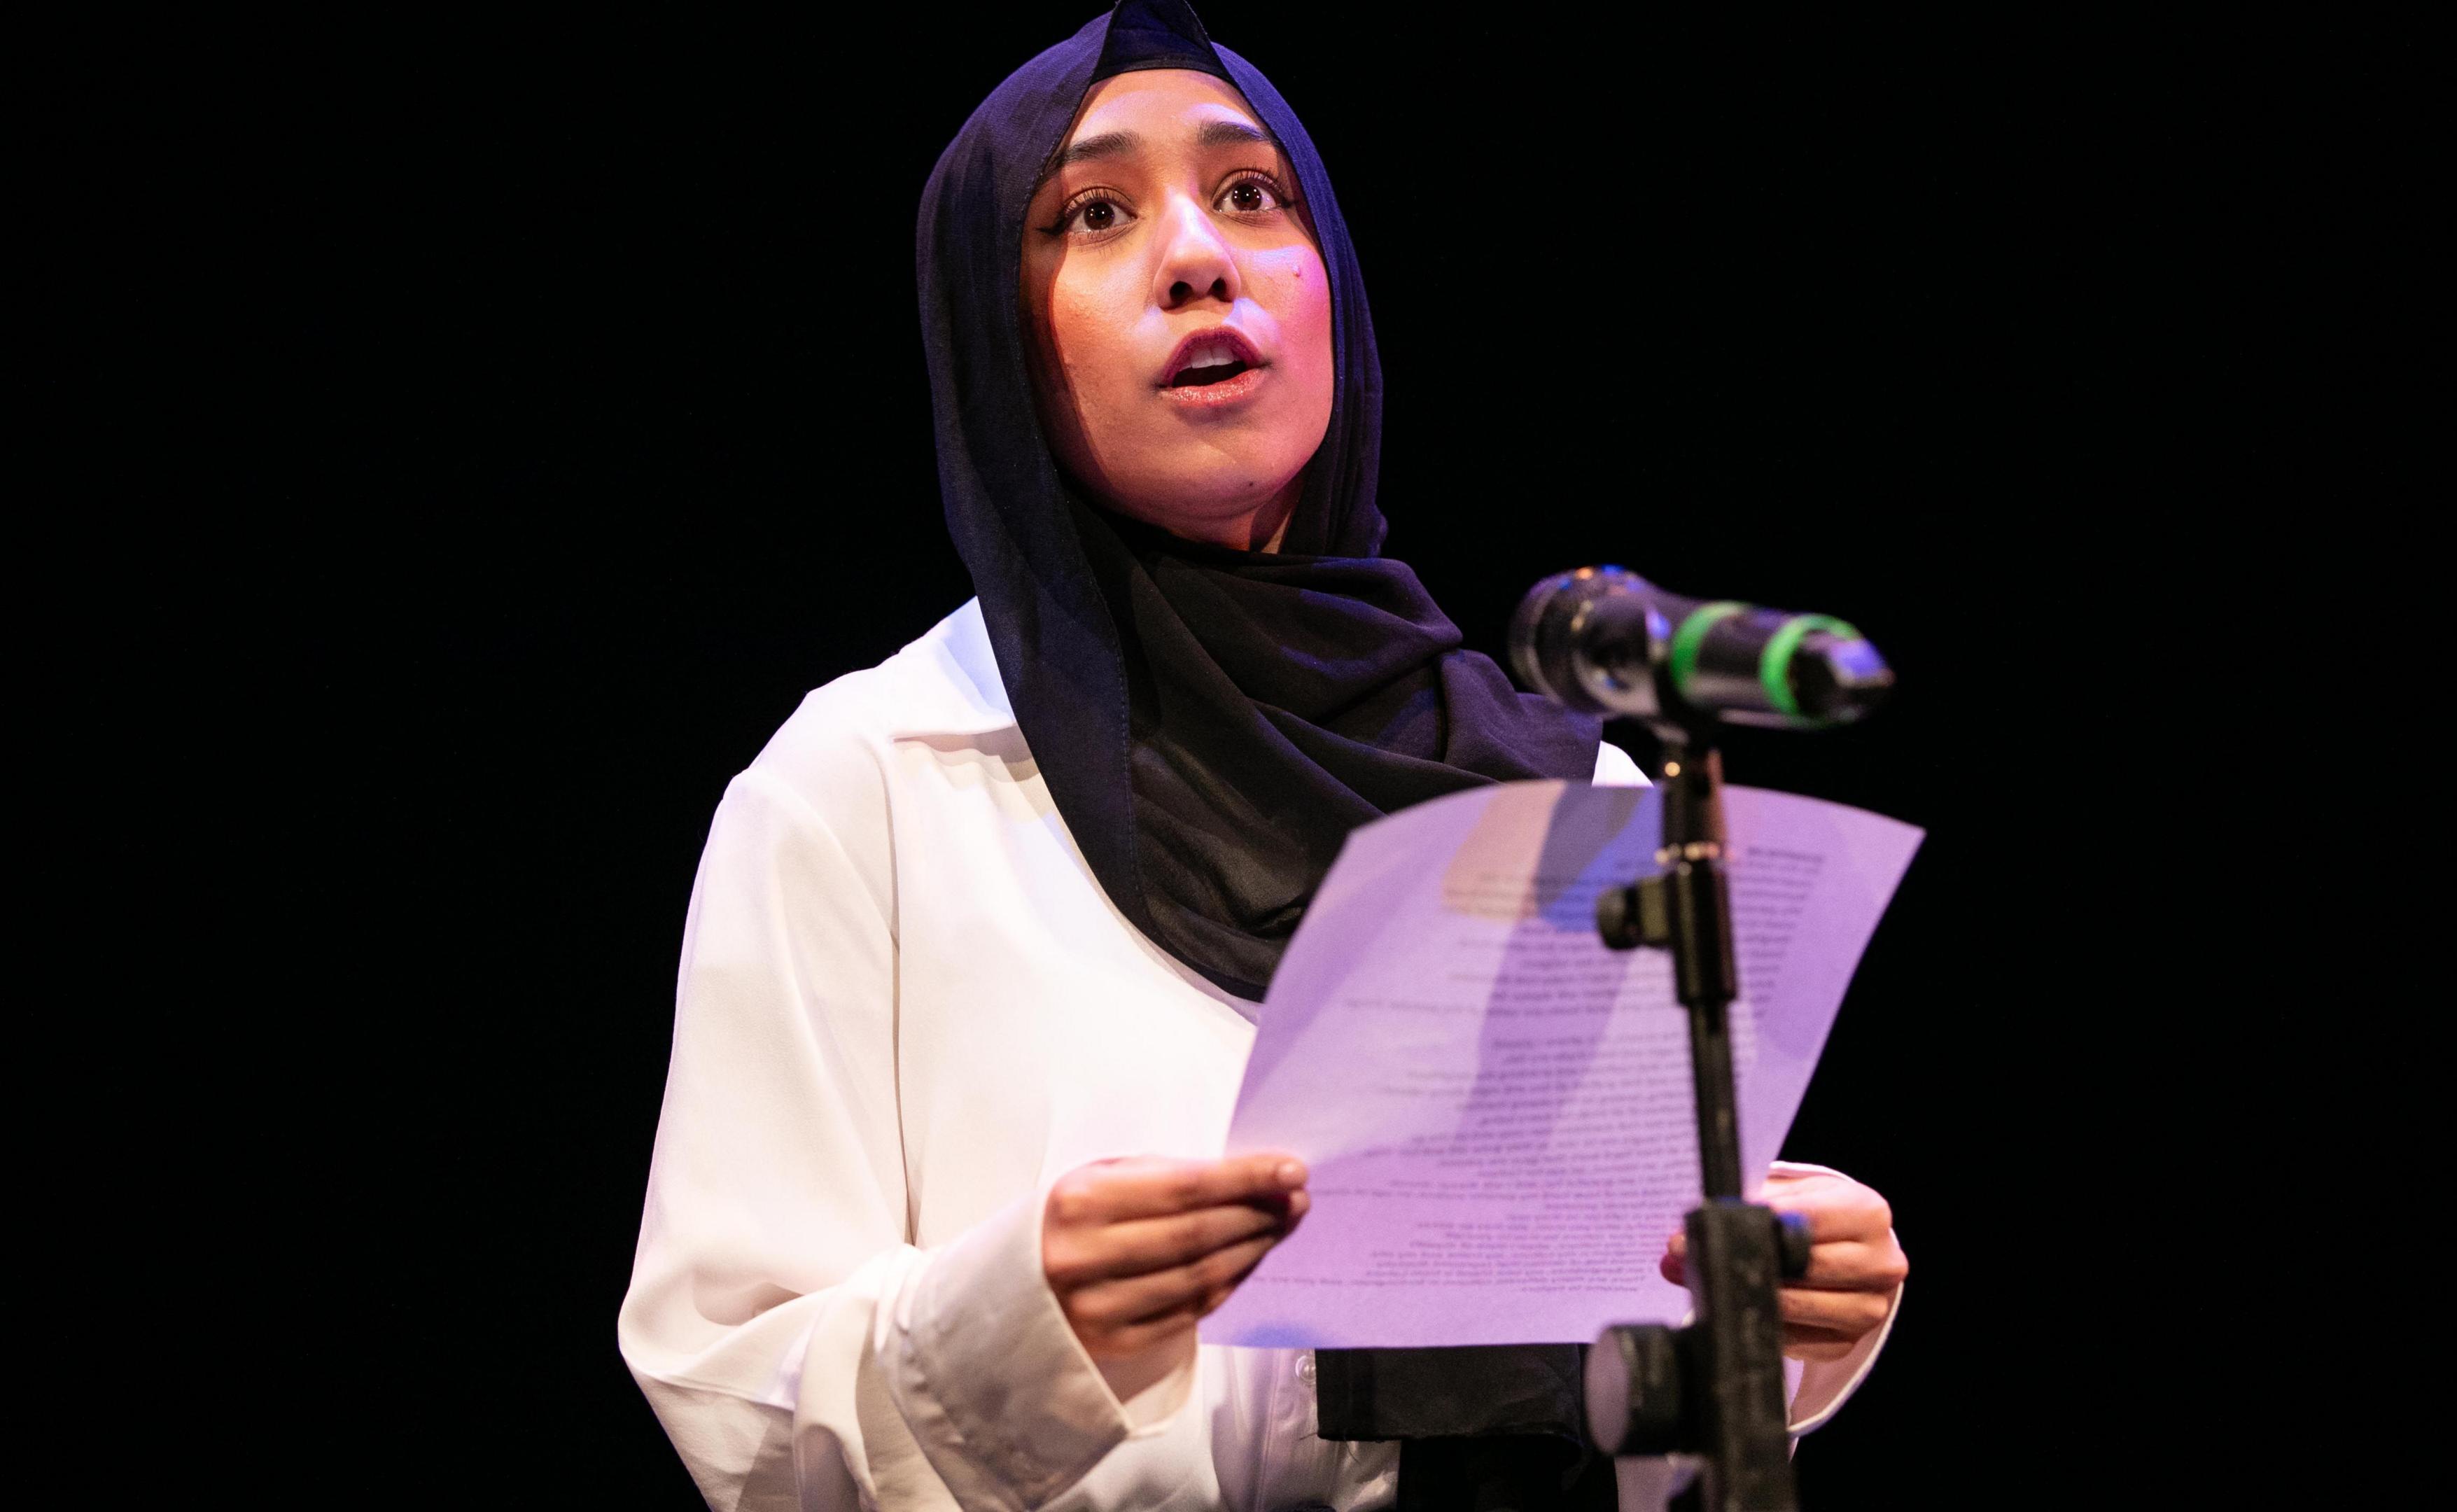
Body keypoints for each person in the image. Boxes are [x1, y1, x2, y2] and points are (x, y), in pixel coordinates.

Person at [617, 5, 1907, 1508]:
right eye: (1093, 215)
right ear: (994, 337)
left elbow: (1624, 1402)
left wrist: (1777, 1333)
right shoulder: (879, 780)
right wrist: (1013, 1327)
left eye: (1251, 195)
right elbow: (726, 1393)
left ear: (1334, 290)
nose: (1197, 255)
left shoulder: (1572, 798)